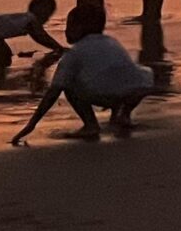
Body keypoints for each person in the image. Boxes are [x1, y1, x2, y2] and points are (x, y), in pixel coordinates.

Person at [9, 15, 152, 143]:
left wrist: (31, 125)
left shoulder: (74, 53)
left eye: (69, 26)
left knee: (69, 85)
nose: (66, 31)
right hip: (134, 90)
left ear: (79, 28)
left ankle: (90, 125)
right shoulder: (111, 41)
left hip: (108, 92)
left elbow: (54, 91)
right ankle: (123, 115)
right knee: (131, 75)